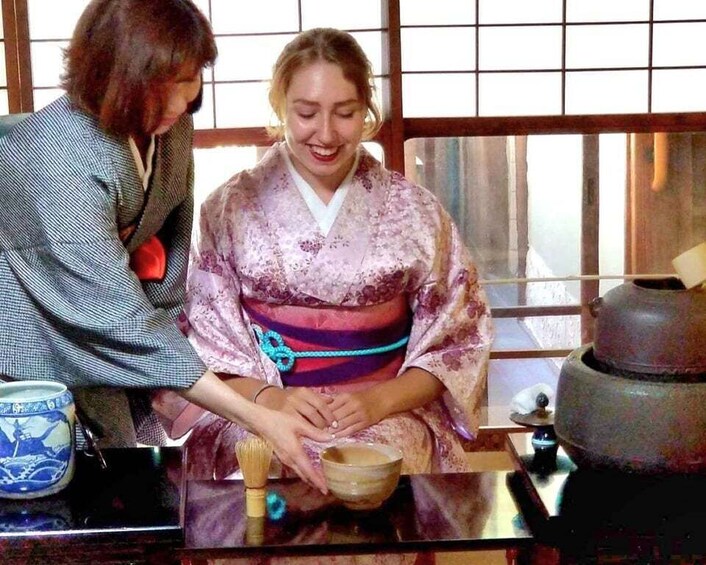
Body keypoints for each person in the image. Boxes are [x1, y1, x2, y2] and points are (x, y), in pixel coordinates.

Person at [0, 0, 330, 492]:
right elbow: (118, 319)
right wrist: (257, 415)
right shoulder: (52, 155)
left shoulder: (169, 128)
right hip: (26, 351)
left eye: (190, 78)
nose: (180, 103)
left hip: (114, 343)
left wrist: (164, 362)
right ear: (112, 74)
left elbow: (170, 250)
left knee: (122, 502)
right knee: (43, 511)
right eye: (163, 84)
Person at [179, 27, 493, 487]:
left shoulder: (415, 211)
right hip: (262, 405)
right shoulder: (229, 208)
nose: (325, 134)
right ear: (280, 107)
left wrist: (378, 401)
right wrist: (269, 398)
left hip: (384, 408)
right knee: (265, 463)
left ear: (366, 112)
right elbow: (207, 342)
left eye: (345, 113)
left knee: (376, 469)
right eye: (306, 113)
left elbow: (457, 342)